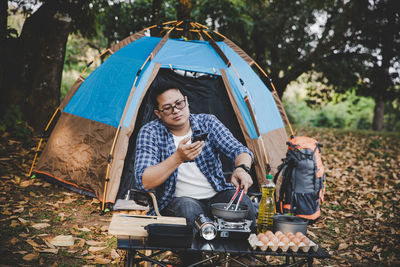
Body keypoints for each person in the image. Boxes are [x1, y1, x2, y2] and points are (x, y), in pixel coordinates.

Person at [133, 87, 257, 228]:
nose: (176, 110)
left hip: (217, 194)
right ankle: (199, 250)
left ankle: (240, 249)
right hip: (178, 200)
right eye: (167, 108)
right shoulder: (150, 132)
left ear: (186, 101)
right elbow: (144, 181)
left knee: (244, 205)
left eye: (179, 103)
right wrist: (177, 158)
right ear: (158, 113)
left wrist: (242, 169)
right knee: (189, 210)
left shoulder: (208, 123)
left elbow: (239, 150)